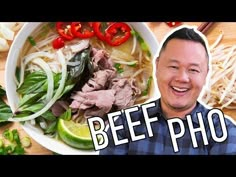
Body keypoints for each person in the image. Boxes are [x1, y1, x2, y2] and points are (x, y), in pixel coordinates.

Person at [99, 26, 236, 155]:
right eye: (173, 67)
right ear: (157, 66)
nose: (182, 78)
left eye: (193, 70)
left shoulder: (223, 132)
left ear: (206, 74)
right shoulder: (124, 125)